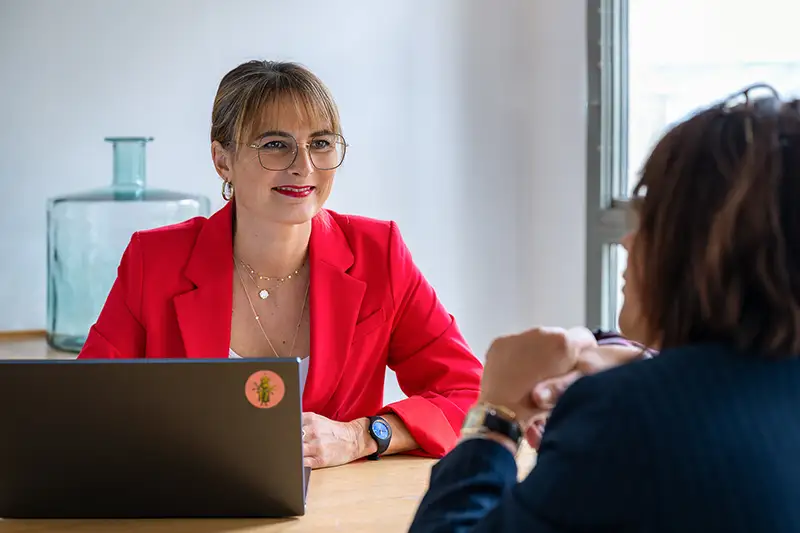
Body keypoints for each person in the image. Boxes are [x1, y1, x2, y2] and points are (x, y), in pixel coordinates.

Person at [408, 84, 800, 532]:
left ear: (705, 246)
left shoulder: (630, 416)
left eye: (650, 217)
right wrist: (644, 365)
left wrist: (495, 416)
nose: (625, 240)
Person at [77, 60, 487, 469]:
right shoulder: (155, 261)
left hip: (345, 513)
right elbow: (84, 406)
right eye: (275, 144)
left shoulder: (379, 254)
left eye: (321, 143)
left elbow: (469, 393)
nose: (304, 165)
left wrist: (364, 435)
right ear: (223, 161)